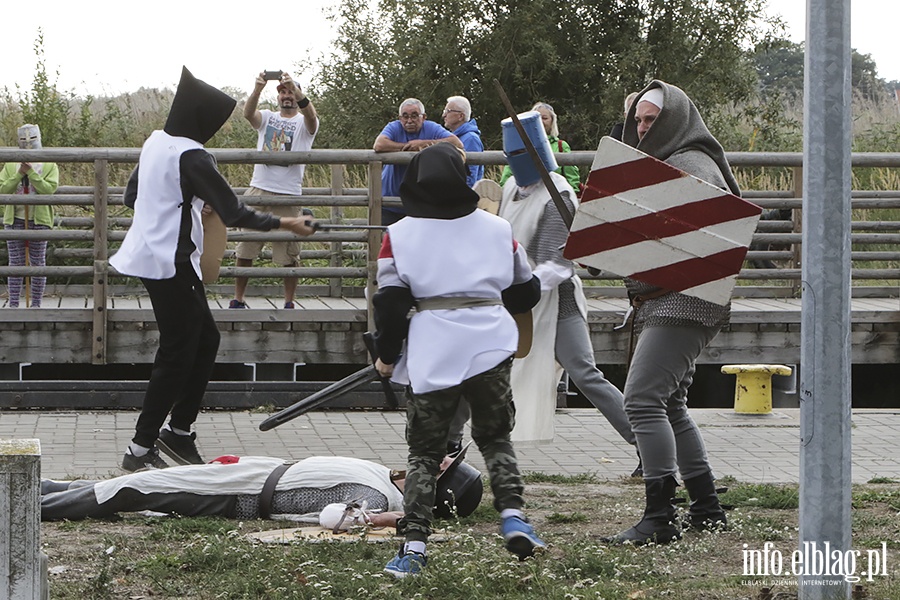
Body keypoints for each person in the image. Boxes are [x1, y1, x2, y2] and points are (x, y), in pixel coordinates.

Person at [109, 67, 316, 473]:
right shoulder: (193, 155)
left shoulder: (156, 143)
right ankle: (139, 449)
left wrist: (179, 200)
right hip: (170, 261)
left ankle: (179, 432)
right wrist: (288, 223)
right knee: (177, 351)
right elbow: (234, 211)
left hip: (152, 255)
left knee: (205, 340)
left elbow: (132, 194)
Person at [372, 144, 545, 577]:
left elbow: (390, 304)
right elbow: (526, 292)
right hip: (489, 343)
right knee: (496, 439)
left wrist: (386, 357)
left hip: (434, 349)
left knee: (424, 455)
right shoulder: (497, 228)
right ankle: (514, 518)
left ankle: (413, 549)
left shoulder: (399, 234)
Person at [603, 80, 734, 545]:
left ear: (674, 118)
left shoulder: (691, 163)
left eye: (651, 119)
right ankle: (706, 507)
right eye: (637, 120)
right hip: (664, 297)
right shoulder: (661, 164)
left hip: (685, 297)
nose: (641, 128)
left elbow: (699, 243)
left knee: (640, 400)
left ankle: (660, 517)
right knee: (670, 404)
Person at [488, 122, 637, 463]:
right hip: (517, 301)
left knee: (585, 373)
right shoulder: (511, 186)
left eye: (519, 155)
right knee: (495, 373)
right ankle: (487, 449)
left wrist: (526, 288)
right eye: (509, 155)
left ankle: (646, 442)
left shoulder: (558, 195)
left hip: (557, 300)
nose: (514, 161)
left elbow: (558, 261)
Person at [41, 455, 403, 522]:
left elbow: (340, 519)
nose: (439, 460)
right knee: (134, 484)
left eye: (442, 469)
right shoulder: (381, 473)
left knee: (135, 488)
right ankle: (40, 488)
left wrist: (386, 519)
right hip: (252, 472)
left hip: (240, 494)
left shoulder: (380, 496)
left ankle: (28, 508)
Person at [230, 71, 319, 309]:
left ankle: (289, 302)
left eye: (290, 91)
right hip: (259, 189)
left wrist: (297, 89)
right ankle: (238, 299)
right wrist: (258, 88)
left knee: (288, 253)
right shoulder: (268, 117)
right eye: (282, 92)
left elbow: (312, 116)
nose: (286, 96)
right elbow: (248, 114)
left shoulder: (303, 123)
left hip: (288, 193)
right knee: (245, 248)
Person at [373, 98, 463, 225]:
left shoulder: (431, 128)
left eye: (414, 116)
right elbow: (379, 145)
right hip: (389, 202)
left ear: (423, 117)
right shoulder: (393, 127)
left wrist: (423, 144)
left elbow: (457, 143)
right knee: (386, 241)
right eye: (405, 116)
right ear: (400, 118)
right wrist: (406, 147)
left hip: (420, 205)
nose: (409, 121)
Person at [1, 124, 58, 308]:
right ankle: (14, 304)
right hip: (15, 219)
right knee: (16, 263)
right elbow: (3, 189)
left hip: (39, 220)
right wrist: (19, 174)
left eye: (31, 139)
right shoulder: (10, 163)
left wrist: (31, 172)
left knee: (37, 263)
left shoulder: (49, 164)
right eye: (23, 139)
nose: (27, 142)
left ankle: (36, 304)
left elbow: (49, 189)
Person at [498, 102, 581, 191]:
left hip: (554, 200)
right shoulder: (519, 145)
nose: (541, 121)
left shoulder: (561, 146)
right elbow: (506, 180)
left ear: (552, 121)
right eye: (537, 118)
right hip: (527, 200)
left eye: (545, 118)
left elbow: (572, 181)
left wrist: (568, 198)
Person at [441, 95, 484, 187]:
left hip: (462, 198)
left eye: (448, 111)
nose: (443, 115)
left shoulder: (471, 139)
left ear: (460, 116)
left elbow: (470, 177)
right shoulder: (454, 137)